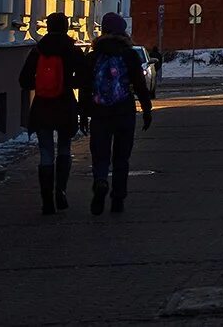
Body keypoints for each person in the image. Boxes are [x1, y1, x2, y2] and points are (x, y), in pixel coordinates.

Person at [83, 12, 155, 216]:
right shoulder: (130, 55)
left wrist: (83, 114)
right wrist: (147, 109)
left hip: (99, 114)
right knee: (122, 158)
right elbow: (140, 85)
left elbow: (85, 87)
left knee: (100, 155)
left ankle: (100, 181)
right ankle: (118, 199)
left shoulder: (93, 56)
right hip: (124, 112)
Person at [19, 12, 86, 215]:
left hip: (42, 107)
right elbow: (83, 79)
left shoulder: (38, 50)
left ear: (47, 27)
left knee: (46, 152)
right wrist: (67, 84)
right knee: (64, 148)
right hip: (65, 105)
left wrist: (41, 84)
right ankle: (61, 191)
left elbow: (24, 80)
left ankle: (46, 199)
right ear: (66, 27)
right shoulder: (72, 50)